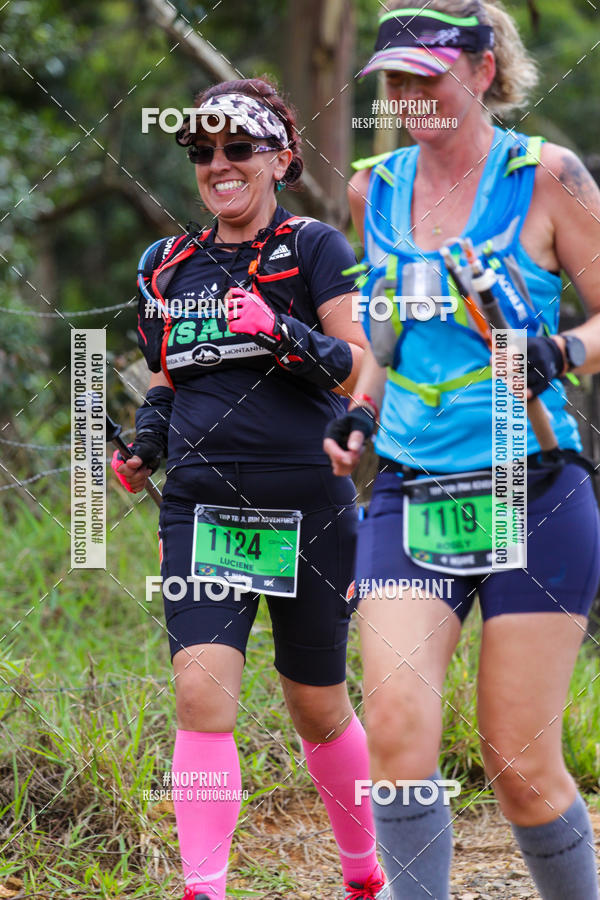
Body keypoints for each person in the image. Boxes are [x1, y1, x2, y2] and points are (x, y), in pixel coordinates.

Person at [324, 2, 600, 898]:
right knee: (398, 733)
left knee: (518, 766)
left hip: (535, 487)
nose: (410, 97)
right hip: (411, 491)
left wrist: (564, 351)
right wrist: (360, 409)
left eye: (429, 77)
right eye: (395, 82)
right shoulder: (373, 189)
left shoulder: (548, 177)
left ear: (483, 71)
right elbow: (386, 331)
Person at [112, 78, 390, 900]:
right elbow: (167, 380)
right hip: (202, 506)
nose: (219, 164)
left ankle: (365, 872)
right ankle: (205, 888)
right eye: (203, 151)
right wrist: (144, 448)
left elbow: (356, 368)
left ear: (280, 157)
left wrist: (278, 331)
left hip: (308, 505)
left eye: (238, 147)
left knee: (318, 704)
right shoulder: (165, 264)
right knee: (201, 696)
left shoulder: (314, 247)